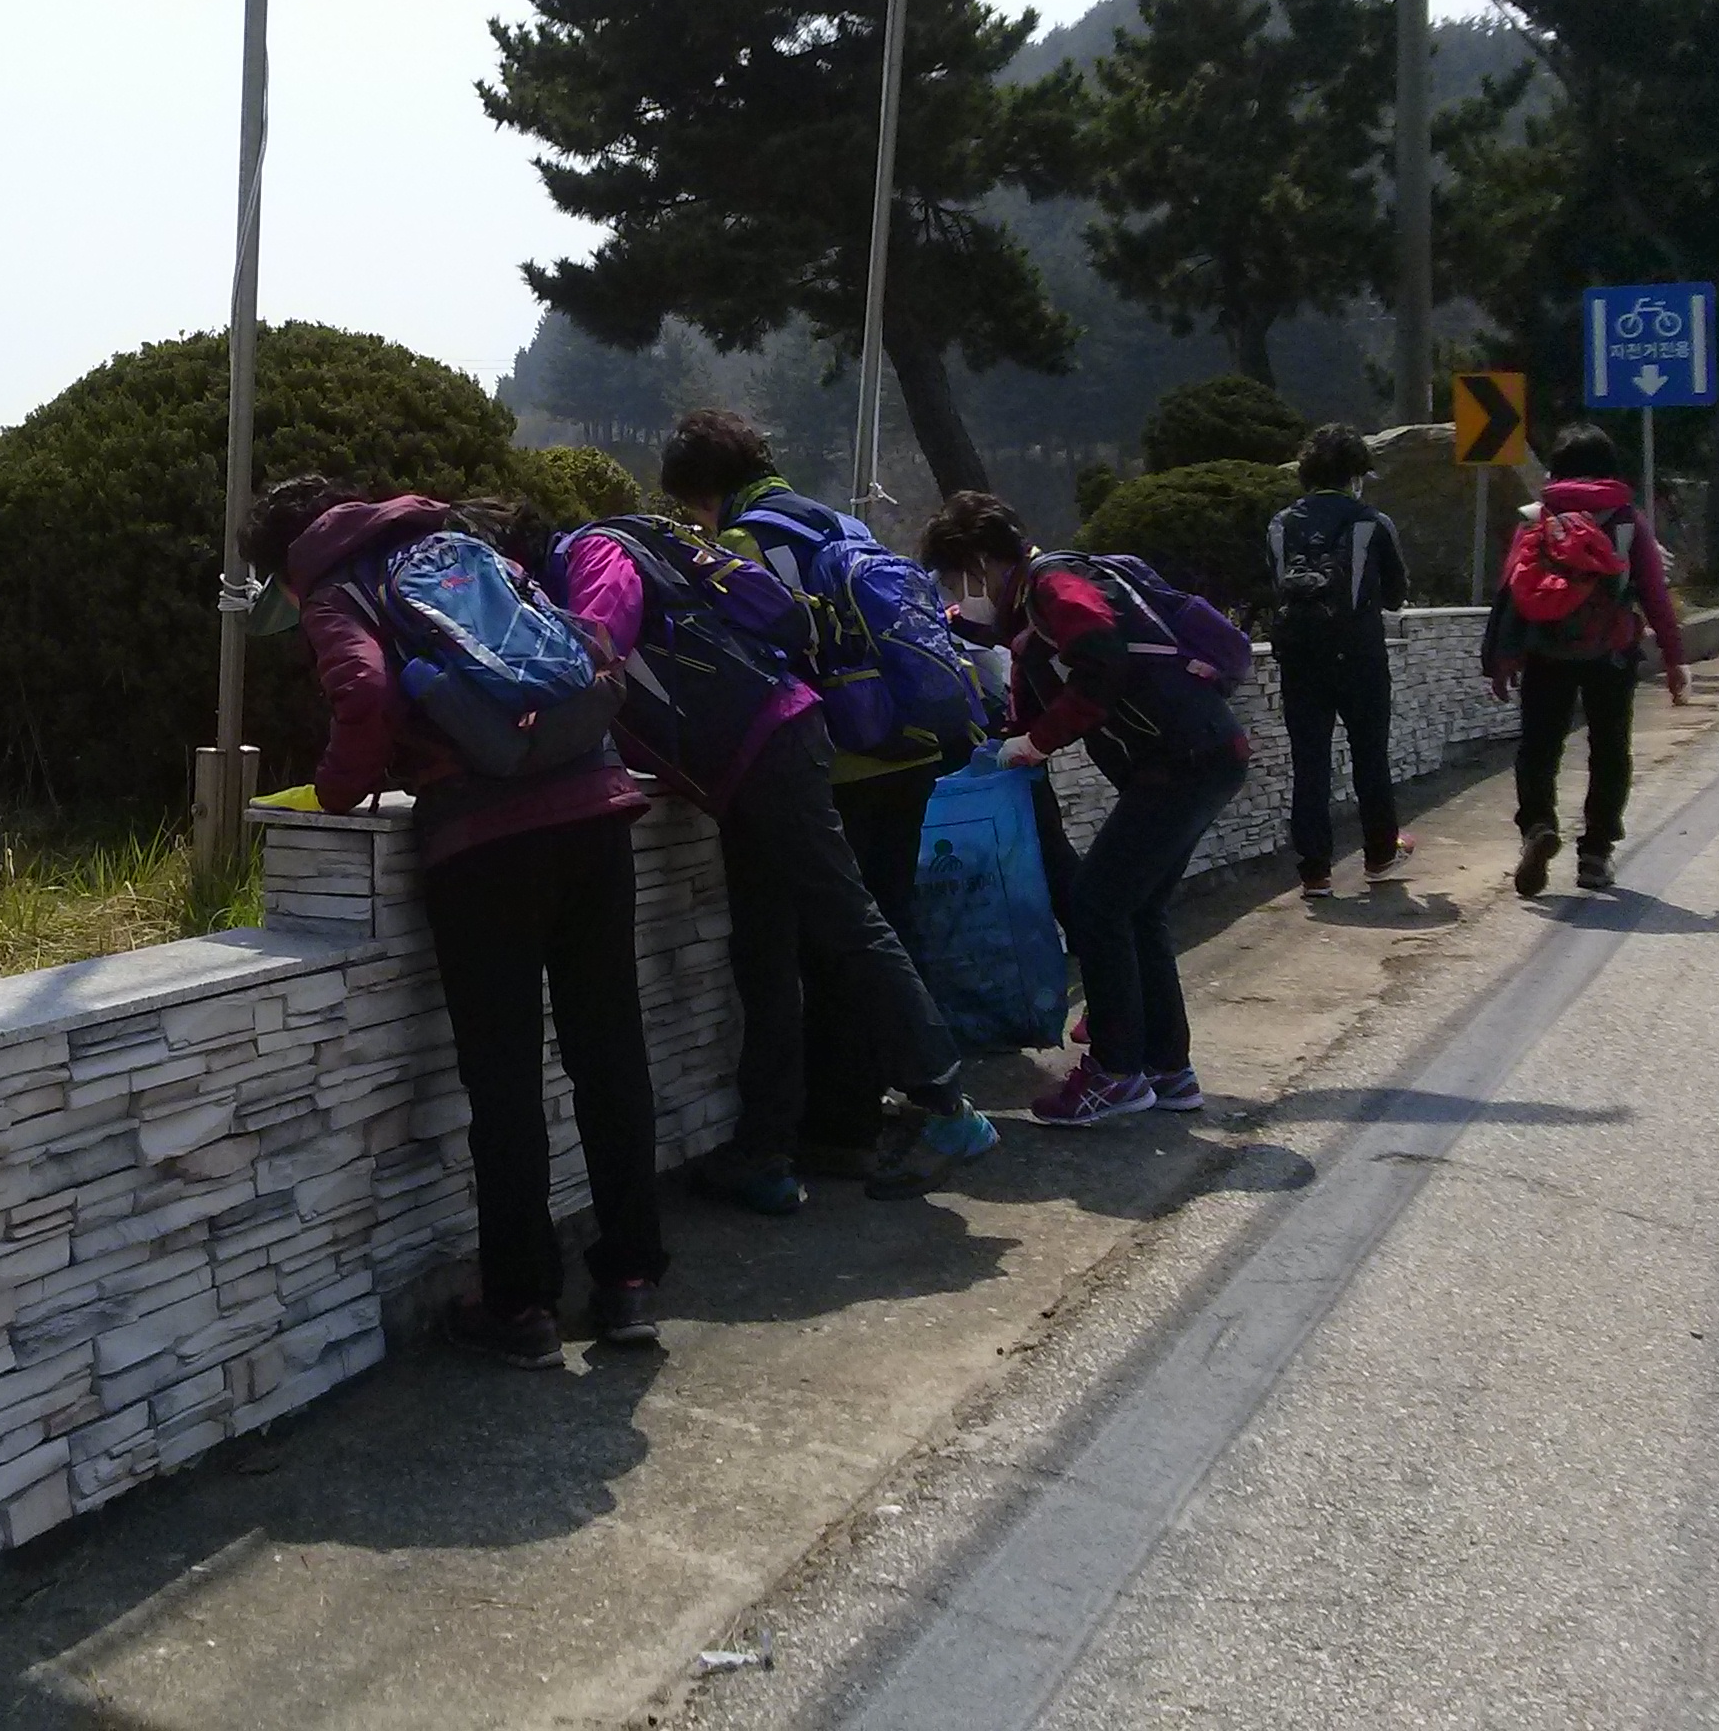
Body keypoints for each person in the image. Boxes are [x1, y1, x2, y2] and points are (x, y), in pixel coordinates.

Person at [244, 476, 666, 1367]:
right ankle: (630, 1279)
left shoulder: (335, 590)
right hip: (594, 806)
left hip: (486, 838)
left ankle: (520, 1305)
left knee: (504, 1080)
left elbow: (364, 692)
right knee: (609, 1050)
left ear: (285, 563)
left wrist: (336, 789)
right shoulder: (453, 544)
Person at [519, 498, 996, 1215]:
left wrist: (517, 698)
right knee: (764, 953)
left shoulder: (592, 550)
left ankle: (946, 1104)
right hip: (754, 754)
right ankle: (765, 1151)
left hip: (769, 743)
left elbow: (597, 641)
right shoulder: (611, 551)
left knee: (845, 919)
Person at [659, 410, 979, 1174]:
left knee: (831, 946)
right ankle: (870, 1114)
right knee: (884, 925)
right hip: (909, 748)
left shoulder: (743, 545)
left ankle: (844, 1127)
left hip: (845, 760)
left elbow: (748, 670)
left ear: (703, 490)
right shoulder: (838, 521)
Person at [917, 490, 1249, 1126]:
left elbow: (1100, 657)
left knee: (1098, 903)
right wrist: (1014, 740)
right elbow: (1033, 682)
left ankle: (1115, 1072)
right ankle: (1167, 1068)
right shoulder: (1033, 608)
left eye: (958, 578)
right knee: (1137, 909)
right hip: (1199, 754)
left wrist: (1037, 742)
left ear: (982, 562)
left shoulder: (1054, 584)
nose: (959, 592)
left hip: (1180, 761)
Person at [1485, 422, 1690, 895]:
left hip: (1545, 648)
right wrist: (1674, 658)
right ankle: (1595, 854)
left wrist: (1501, 656)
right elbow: (1655, 594)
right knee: (1610, 749)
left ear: (1556, 468)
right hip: (1611, 650)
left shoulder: (1536, 516)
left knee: (1539, 747)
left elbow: (1510, 591)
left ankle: (1538, 825)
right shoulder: (1627, 519)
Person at [1266, 422, 1412, 899]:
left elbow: (1276, 586)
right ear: (1356, 475)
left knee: (1310, 762)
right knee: (1370, 754)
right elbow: (1396, 596)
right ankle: (1380, 854)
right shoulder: (1373, 522)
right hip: (1360, 656)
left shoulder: (1281, 524)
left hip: (1300, 657)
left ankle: (1315, 871)